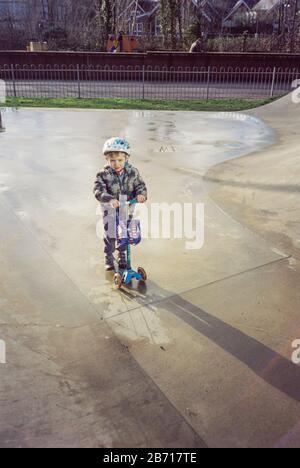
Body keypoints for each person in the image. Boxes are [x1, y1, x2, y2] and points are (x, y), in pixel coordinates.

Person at [94, 137, 147, 271]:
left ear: (126, 158)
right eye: (112, 160)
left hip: (126, 207)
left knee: (125, 234)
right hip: (110, 209)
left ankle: (122, 254)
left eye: (120, 160)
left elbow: (140, 185)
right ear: (107, 159)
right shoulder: (103, 174)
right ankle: (109, 255)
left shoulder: (133, 172)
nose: (116, 163)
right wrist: (109, 199)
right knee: (111, 234)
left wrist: (141, 195)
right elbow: (98, 190)